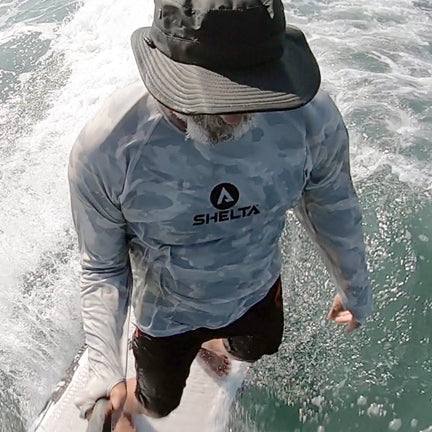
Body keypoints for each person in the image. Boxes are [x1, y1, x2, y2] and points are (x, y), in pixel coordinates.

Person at [69, 0, 373, 430]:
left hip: (257, 288)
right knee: (157, 403)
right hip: (167, 314)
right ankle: (130, 407)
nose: (241, 111)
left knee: (256, 349)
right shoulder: (109, 147)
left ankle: (213, 342)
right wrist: (105, 368)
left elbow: (332, 203)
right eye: (220, 94)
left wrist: (354, 285)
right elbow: (102, 267)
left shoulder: (310, 118)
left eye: (255, 89)